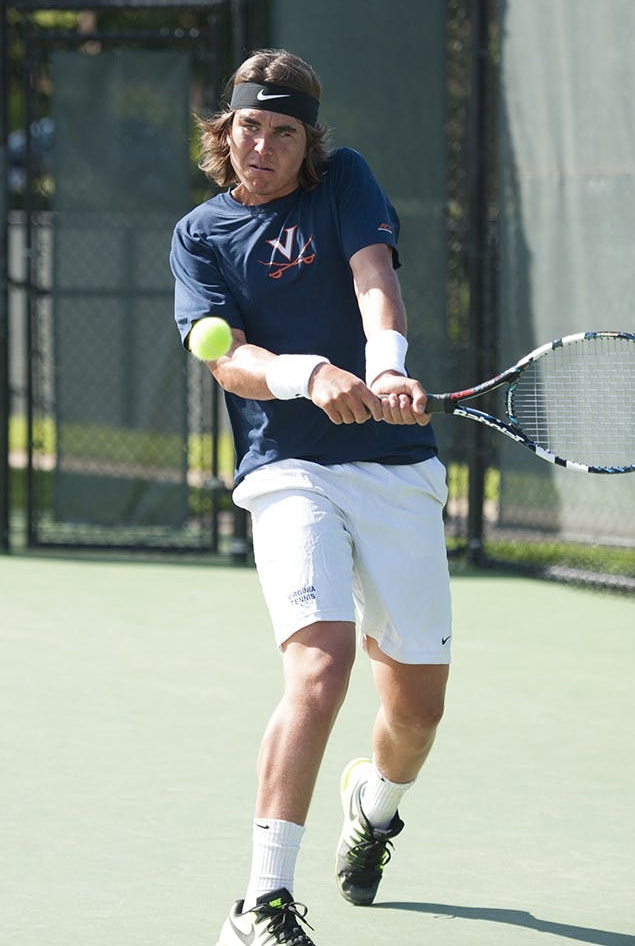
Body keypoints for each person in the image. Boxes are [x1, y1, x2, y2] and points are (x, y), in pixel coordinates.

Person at [171, 48, 452, 946]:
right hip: (286, 468)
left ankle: (374, 808)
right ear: (225, 131)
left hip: (394, 468)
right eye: (248, 126)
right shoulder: (200, 235)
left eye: (282, 131)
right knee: (322, 665)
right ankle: (260, 903)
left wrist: (385, 366)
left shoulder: (345, 185)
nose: (262, 145)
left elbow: (376, 280)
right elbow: (227, 358)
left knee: (415, 711)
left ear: (307, 141)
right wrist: (311, 375)